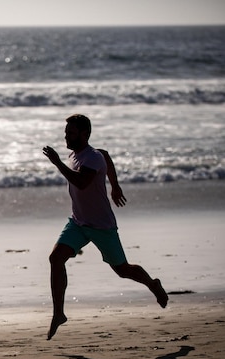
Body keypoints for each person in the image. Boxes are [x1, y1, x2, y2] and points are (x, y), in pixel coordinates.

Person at [42, 114, 168, 341]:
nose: (66, 136)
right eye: (66, 132)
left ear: (84, 134)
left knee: (123, 270)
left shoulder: (92, 158)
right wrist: (115, 186)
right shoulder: (81, 154)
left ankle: (153, 284)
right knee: (55, 258)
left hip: (101, 225)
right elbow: (108, 156)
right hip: (78, 222)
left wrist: (58, 162)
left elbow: (81, 182)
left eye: (71, 133)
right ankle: (59, 313)